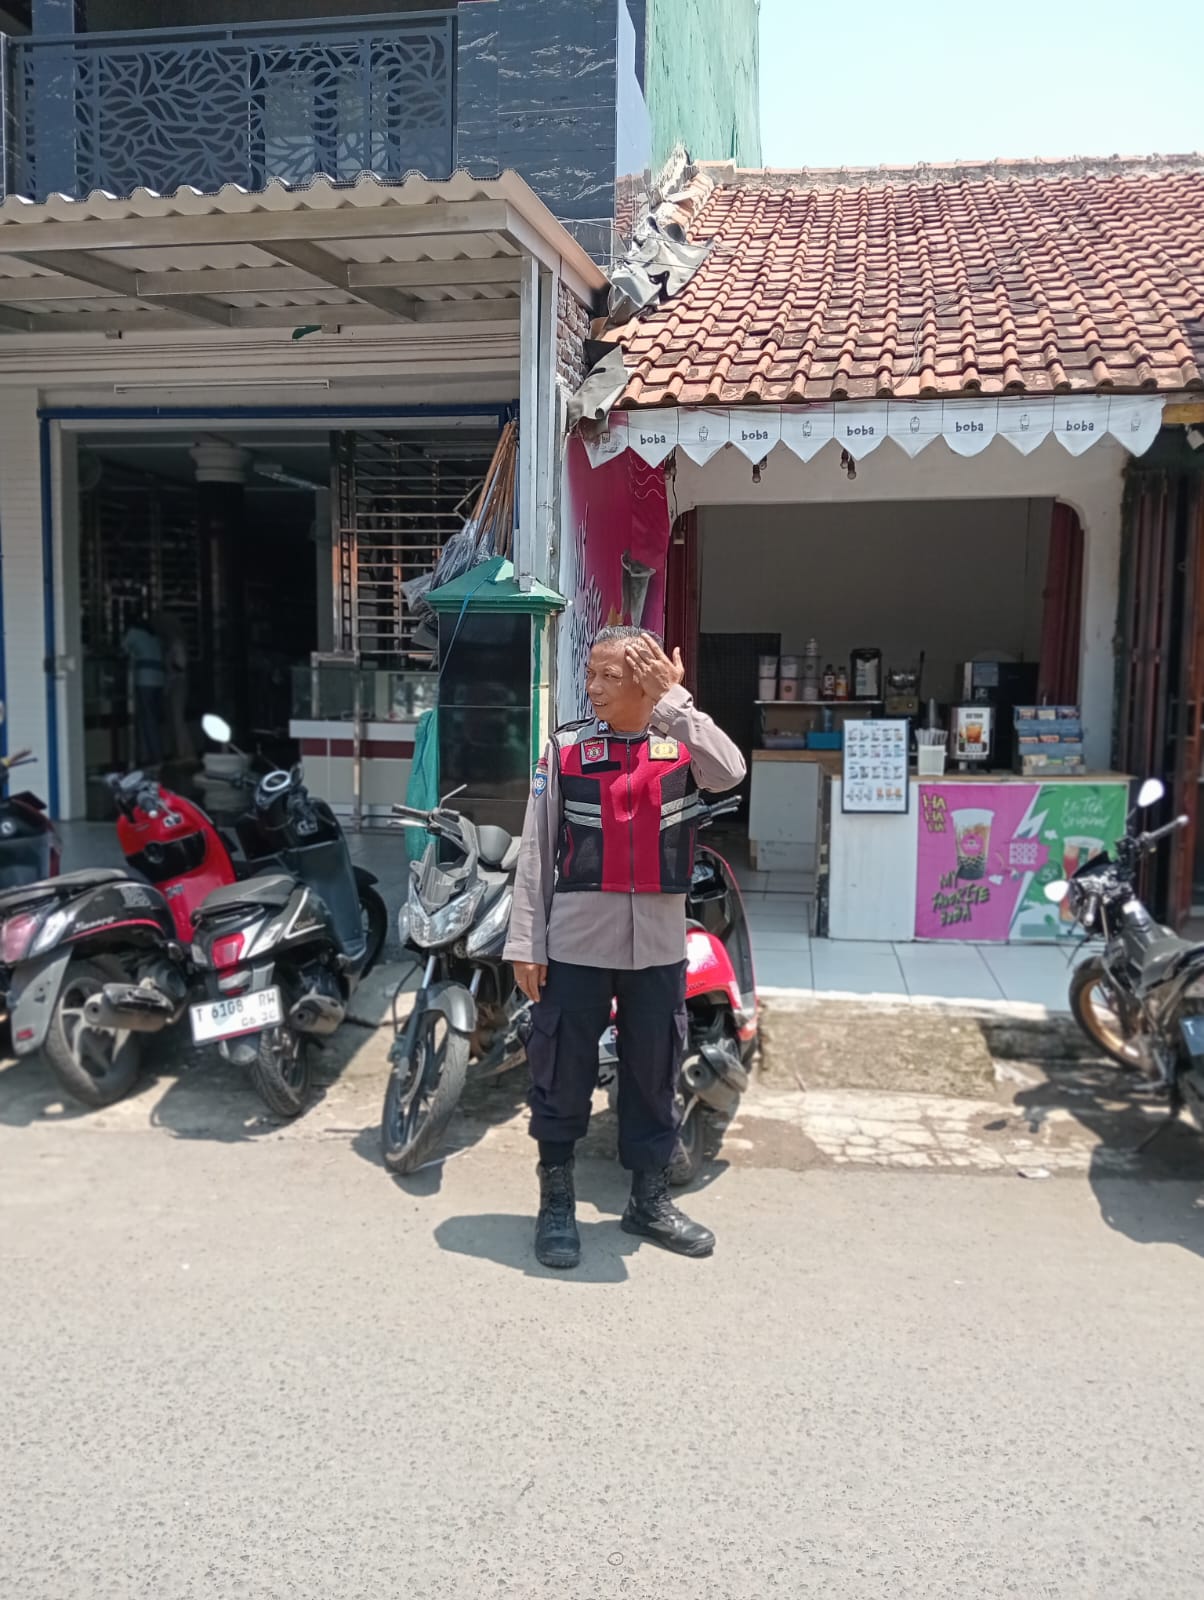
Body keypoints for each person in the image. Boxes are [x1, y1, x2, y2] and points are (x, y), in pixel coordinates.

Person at [504, 626, 746, 1269]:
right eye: (591, 674)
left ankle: (648, 1199)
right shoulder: (565, 750)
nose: (593, 687)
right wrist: (526, 942)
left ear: (646, 681)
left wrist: (676, 701)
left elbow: (730, 771)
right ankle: (557, 1201)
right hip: (575, 945)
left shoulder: (681, 745)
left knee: (654, 1073)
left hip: (659, 949)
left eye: (610, 675)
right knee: (561, 1072)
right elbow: (537, 851)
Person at [121, 614, 165, 770]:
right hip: (159, 679)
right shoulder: (154, 636)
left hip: (145, 680)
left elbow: (122, 650)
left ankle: (155, 757)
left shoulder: (133, 633)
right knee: (153, 719)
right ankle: (151, 755)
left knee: (147, 719)